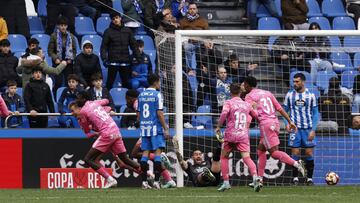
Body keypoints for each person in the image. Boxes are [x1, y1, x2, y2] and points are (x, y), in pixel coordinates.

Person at [243, 76, 305, 186]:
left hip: (265, 124)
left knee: (273, 152)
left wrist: (247, 123)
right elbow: (279, 108)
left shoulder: (249, 96)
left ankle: (296, 163)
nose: (243, 86)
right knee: (261, 150)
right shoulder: (267, 93)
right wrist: (290, 121)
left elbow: (252, 114)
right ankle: (260, 179)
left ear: (247, 85)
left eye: (244, 84)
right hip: (275, 123)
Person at [69, 95, 141, 188]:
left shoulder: (83, 113)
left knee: (88, 159)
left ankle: (110, 179)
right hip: (115, 131)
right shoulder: (95, 103)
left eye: (72, 110)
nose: (71, 113)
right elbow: (107, 101)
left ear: (79, 108)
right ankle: (147, 174)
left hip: (106, 135)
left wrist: (94, 132)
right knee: (124, 159)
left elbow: (87, 132)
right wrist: (107, 110)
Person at [215, 83, 261, 192]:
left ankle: (226, 182)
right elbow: (256, 116)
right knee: (246, 158)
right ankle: (255, 177)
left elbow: (224, 113)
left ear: (230, 92)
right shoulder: (247, 104)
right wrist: (255, 108)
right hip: (243, 135)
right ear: (240, 92)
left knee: (224, 157)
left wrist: (218, 126)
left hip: (230, 134)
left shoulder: (228, 102)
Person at [283, 73, 319, 185]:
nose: (295, 83)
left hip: (308, 129)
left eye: (297, 81)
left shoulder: (311, 95)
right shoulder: (289, 95)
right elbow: (284, 111)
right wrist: (287, 123)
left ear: (303, 82)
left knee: (308, 153)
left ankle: (309, 179)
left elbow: (315, 114)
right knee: (295, 152)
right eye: (294, 81)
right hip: (295, 129)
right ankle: (295, 178)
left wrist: (313, 129)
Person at [137, 74, 170, 189]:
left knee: (145, 154)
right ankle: (156, 182)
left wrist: (142, 123)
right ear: (156, 82)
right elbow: (160, 113)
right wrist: (165, 128)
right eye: (159, 82)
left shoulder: (141, 95)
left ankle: (144, 183)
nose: (160, 84)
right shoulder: (157, 95)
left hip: (144, 128)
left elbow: (138, 114)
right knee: (157, 154)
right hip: (155, 128)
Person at [100, 12, 141, 89]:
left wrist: (138, 57)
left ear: (120, 18)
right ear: (112, 20)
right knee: (109, 84)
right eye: (113, 19)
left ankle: (129, 100)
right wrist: (104, 59)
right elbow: (103, 47)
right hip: (113, 62)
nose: (115, 20)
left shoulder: (128, 31)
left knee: (126, 85)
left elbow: (134, 45)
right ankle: (107, 100)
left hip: (125, 62)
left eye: (117, 18)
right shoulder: (108, 31)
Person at [48, 16, 77, 96]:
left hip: (68, 62)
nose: (63, 27)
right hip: (58, 62)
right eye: (61, 25)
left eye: (65, 25)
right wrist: (55, 58)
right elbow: (50, 51)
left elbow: (74, 50)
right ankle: (55, 96)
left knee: (70, 82)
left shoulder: (71, 36)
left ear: (67, 26)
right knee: (58, 82)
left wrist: (71, 59)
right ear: (58, 26)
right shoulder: (53, 36)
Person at [179, 2, 208, 70]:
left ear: (197, 10)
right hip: (188, 43)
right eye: (190, 9)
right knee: (186, 47)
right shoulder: (183, 21)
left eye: (194, 9)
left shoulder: (203, 20)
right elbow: (179, 33)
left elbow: (208, 33)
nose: (192, 10)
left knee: (206, 49)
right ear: (188, 10)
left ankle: (202, 68)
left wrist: (207, 41)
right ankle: (190, 69)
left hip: (200, 43)